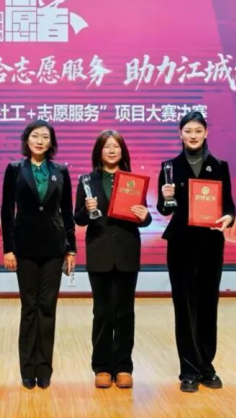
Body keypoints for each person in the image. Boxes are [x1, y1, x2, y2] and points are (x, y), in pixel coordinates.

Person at [157, 111, 236, 393]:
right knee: (184, 305)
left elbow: (229, 206)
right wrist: (165, 198)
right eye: (188, 131)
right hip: (181, 244)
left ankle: (206, 367)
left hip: (211, 244)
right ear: (180, 133)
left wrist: (229, 218)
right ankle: (188, 370)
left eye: (198, 131)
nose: (193, 136)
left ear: (206, 133)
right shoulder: (169, 167)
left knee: (207, 304)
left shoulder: (220, 166)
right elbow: (164, 209)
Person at [1, 120, 76, 390]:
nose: (40, 141)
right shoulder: (14, 169)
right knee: (29, 308)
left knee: (48, 308)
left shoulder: (60, 171)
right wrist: (8, 248)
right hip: (24, 248)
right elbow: (6, 211)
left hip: (54, 248)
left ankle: (44, 369)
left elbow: (67, 212)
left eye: (45, 137)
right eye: (35, 136)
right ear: (27, 140)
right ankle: (27, 369)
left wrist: (71, 248)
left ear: (51, 142)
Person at [75, 130, 151, 390]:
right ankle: (102, 367)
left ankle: (124, 366)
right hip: (100, 253)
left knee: (125, 313)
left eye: (115, 146)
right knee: (103, 312)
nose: (111, 150)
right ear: (99, 151)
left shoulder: (133, 181)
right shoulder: (87, 180)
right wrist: (87, 210)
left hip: (127, 252)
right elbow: (78, 219)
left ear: (122, 151)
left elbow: (144, 218)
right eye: (106, 146)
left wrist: (145, 216)